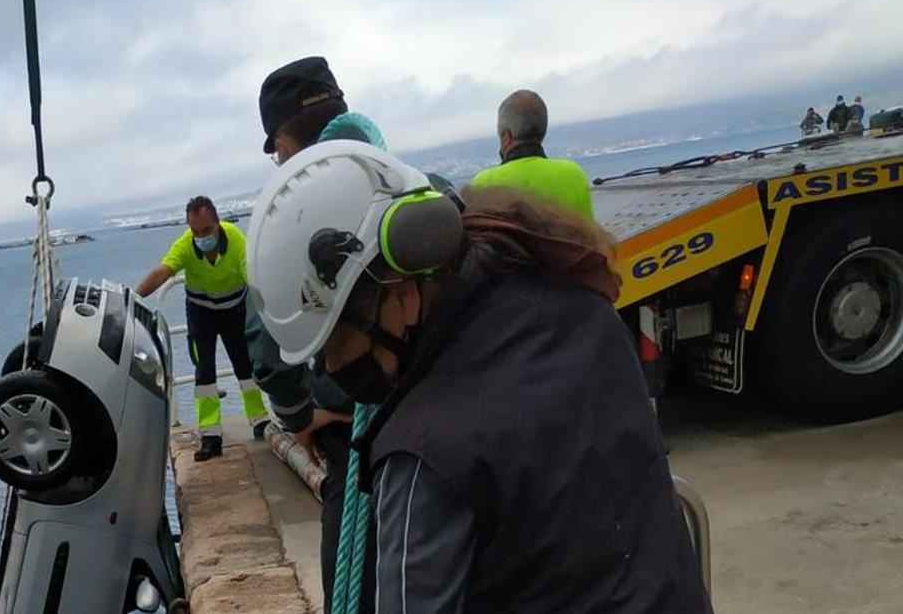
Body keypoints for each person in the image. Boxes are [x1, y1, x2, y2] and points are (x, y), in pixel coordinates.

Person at [246, 141, 713, 612]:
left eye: (333, 345)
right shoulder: (585, 311)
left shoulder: (423, 454)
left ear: (402, 296)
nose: (329, 369)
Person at [252, 56, 386, 612]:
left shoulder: (286, 225)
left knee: (355, 586)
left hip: (355, 457)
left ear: (286, 137)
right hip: (444, 452)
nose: (277, 157)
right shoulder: (412, 187)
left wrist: (301, 415)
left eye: (275, 143)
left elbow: (267, 350)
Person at [135, 196, 269, 461]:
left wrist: (270, 304)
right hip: (201, 312)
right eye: (195, 231)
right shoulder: (185, 245)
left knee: (245, 365)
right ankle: (210, 435)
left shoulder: (236, 239)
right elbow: (163, 272)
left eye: (206, 230)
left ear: (218, 223)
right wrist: (134, 300)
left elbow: (251, 275)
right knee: (204, 371)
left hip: (234, 309)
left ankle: (260, 420)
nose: (201, 236)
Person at [471, 89, 595, 220]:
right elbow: (592, 234)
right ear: (543, 131)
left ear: (506, 137)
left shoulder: (484, 184)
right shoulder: (573, 174)